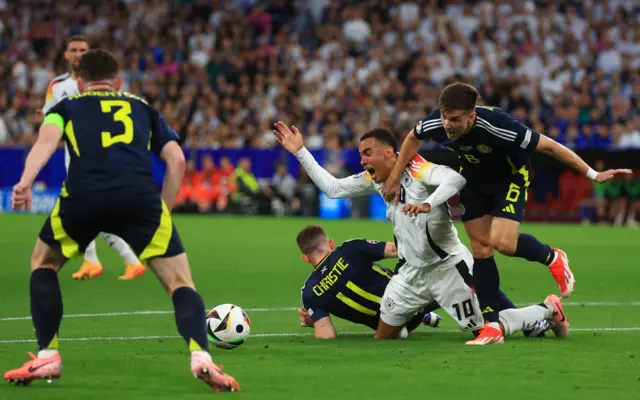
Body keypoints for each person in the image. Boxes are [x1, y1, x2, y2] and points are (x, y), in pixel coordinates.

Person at [4, 49, 240, 392]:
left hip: (84, 197)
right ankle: (201, 357)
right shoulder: (143, 107)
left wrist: (25, 181)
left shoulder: (66, 106)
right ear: (117, 82)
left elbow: (46, 141)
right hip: (140, 200)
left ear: (81, 83)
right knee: (180, 284)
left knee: (43, 264)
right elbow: (176, 161)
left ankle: (48, 354)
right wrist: (165, 211)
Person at [381, 82, 631, 344]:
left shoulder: (500, 126)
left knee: (502, 243)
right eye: (445, 117)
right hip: (474, 177)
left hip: (509, 176)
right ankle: (492, 326)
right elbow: (412, 138)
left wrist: (593, 174)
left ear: (472, 116)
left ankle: (553, 256)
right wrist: (395, 177)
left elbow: (551, 147)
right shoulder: (436, 123)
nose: (447, 124)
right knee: (480, 247)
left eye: (455, 119)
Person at [273, 123, 567, 343]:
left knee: (486, 329)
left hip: (446, 266)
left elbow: (455, 179)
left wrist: (429, 202)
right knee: (383, 336)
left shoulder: (418, 170)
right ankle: (431, 315)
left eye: (367, 153)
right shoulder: (375, 179)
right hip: (410, 273)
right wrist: (300, 151)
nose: (362, 161)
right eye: (361, 154)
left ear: (389, 153)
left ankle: (546, 311)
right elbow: (334, 188)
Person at [42, 35, 145, 281]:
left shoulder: (106, 84)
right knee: (92, 211)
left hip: (100, 156)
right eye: (74, 50)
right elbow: (48, 120)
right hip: (73, 155)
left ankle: (102, 261)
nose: (78, 54)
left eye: (83, 50)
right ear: (65, 55)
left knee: (88, 209)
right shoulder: (57, 86)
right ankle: (108, 260)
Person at [295, 224, 442, 339]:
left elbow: (326, 334)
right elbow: (395, 250)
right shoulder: (349, 249)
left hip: (390, 326)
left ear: (305, 258)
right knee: (411, 259)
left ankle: (423, 316)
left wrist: (315, 322)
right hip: (409, 300)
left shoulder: (309, 292)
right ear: (331, 244)